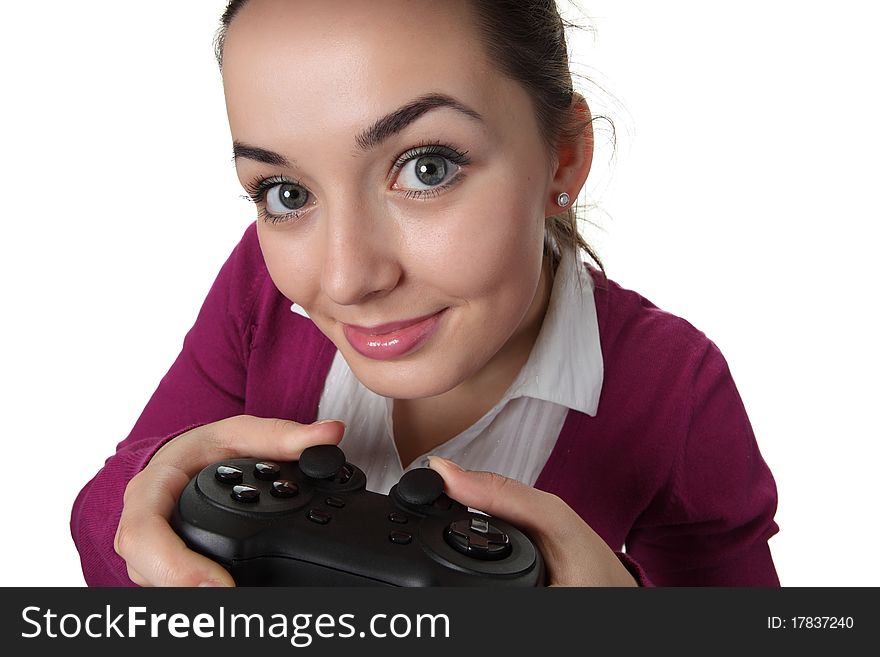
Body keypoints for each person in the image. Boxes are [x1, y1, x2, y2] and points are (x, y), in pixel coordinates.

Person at [70, 0, 780, 588]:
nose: (347, 278)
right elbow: (114, 500)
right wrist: (145, 507)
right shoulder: (258, 287)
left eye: (428, 168)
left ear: (563, 159)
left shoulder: (676, 389)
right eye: (286, 192)